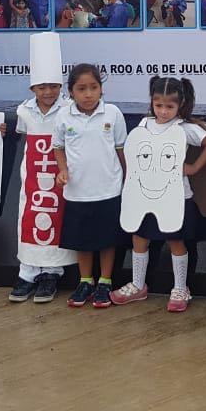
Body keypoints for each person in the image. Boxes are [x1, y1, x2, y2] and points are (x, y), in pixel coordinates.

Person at [111, 77, 206, 313]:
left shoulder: (185, 128)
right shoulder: (143, 125)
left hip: (175, 196)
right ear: (152, 103)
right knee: (139, 237)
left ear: (180, 104)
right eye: (159, 105)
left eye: (169, 106)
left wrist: (194, 167)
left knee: (176, 241)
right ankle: (138, 284)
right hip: (144, 194)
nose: (163, 111)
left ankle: (180, 287)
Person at [53, 63, 128, 309]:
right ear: (71, 91)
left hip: (109, 188)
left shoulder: (113, 113)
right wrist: (62, 170)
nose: (88, 94)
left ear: (101, 89)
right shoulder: (63, 116)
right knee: (82, 240)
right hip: (77, 191)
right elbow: (59, 147)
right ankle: (85, 281)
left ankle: (105, 281)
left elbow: (120, 150)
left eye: (93, 88)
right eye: (81, 89)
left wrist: (127, 181)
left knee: (107, 240)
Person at [11, 34, 74, 303]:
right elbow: (19, 134)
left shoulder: (70, 109)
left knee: (56, 216)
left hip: (58, 174)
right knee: (30, 216)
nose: (47, 92)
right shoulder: (24, 112)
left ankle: (51, 273)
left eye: (52, 86)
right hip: (34, 175)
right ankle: (27, 272)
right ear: (32, 89)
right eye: (41, 87)